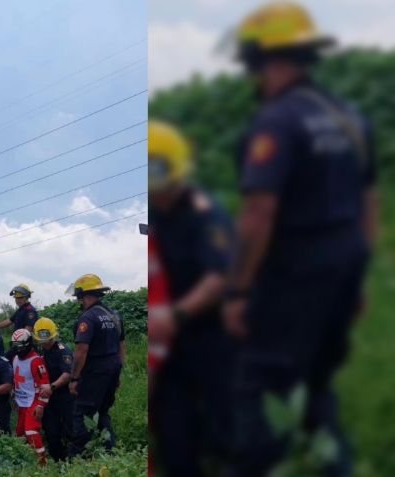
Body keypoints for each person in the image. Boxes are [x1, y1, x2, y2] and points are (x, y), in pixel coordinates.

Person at [222, 4, 377, 476]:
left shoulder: (277, 120)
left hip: (294, 275)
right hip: (343, 268)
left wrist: (240, 289)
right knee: (317, 382)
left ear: (259, 59)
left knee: (251, 384)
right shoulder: (350, 119)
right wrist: (357, 278)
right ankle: (333, 462)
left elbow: (259, 213)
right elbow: (370, 203)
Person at [148, 120, 236, 475]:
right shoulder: (155, 213)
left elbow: (218, 278)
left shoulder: (204, 214)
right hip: (169, 350)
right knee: (176, 438)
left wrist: (177, 315)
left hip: (206, 336)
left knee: (224, 434)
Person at [67, 274, 126, 457]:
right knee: (103, 413)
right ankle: (110, 453)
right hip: (112, 370)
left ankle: (77, 460)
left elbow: (81, 351)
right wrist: (117, 375)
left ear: (82, 295)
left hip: (95, 372)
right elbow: (122, 347)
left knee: (83, 414)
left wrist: (74, 379)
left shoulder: (88, 317)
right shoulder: (114, 316)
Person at [33, 317, 75, 462]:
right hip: (48, 399)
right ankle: (58, 460)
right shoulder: (41, 350)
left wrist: (52, 387)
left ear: (53, 336)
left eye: (47, 340)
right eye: (42, 341)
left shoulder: (63, 351)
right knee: (51, 431)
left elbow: (67, 373)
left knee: (71, 429)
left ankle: (75, 461)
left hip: (64, 396)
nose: (45, 344)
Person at [11, 328, 50, 466]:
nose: (18, 350)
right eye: (15, 346)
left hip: (33, 401)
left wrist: (41, 405)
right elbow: (17, 381)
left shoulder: (36, 361)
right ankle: (21, 463)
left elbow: (45, 387)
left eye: (20, 346)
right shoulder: (15, 358)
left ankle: (42, 465)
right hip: (21, 402)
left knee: (31, 431)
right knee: (19, 435)